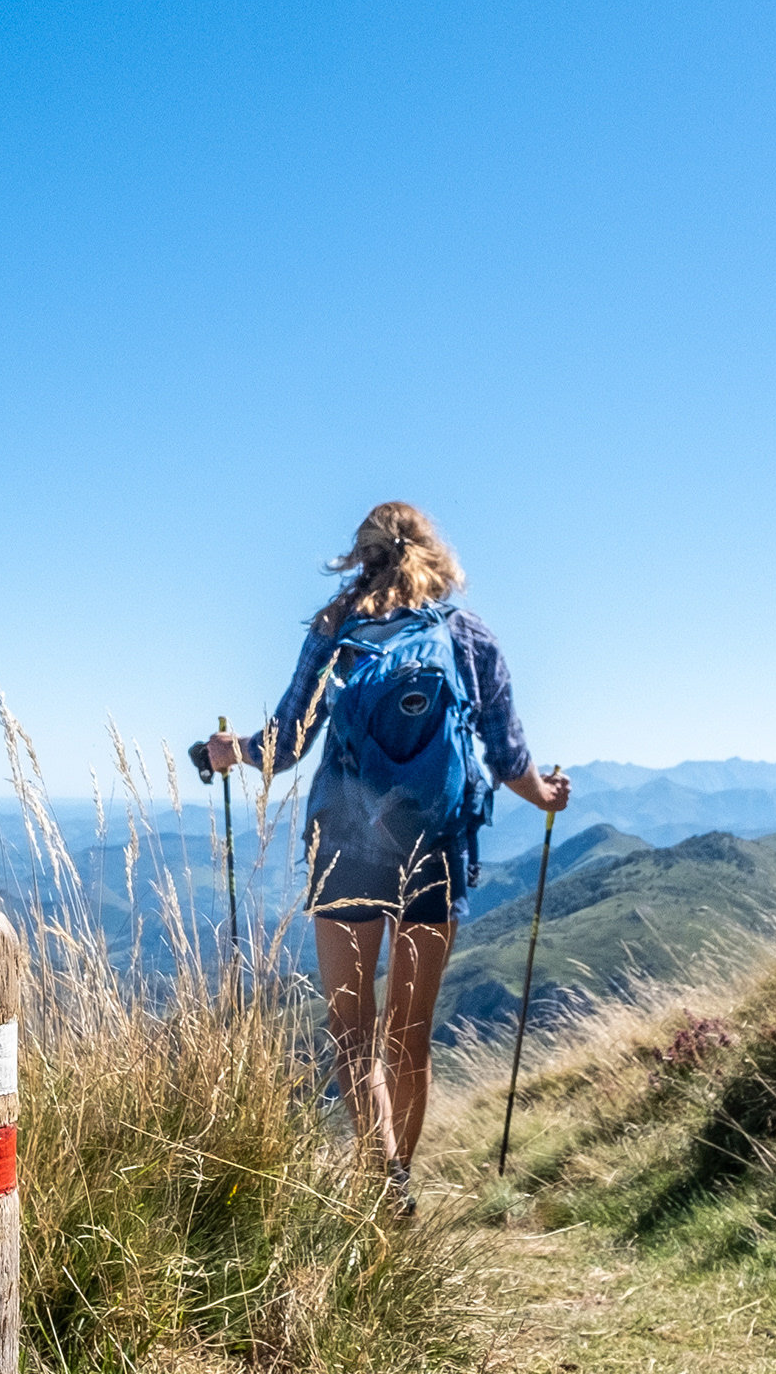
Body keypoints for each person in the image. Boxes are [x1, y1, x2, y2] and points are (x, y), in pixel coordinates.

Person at [208, 500, 569, 1204]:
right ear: (434, 552)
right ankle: (400, 1174)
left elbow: (285, 745)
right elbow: (507, 756)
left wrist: (230, 751)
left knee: (352, 1029)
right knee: (410, 1031)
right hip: (436, 842)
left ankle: (380, 1185)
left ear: (361, 555)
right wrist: (546, 796)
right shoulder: (466, 634)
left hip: (346, 841)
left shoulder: (336, 628)